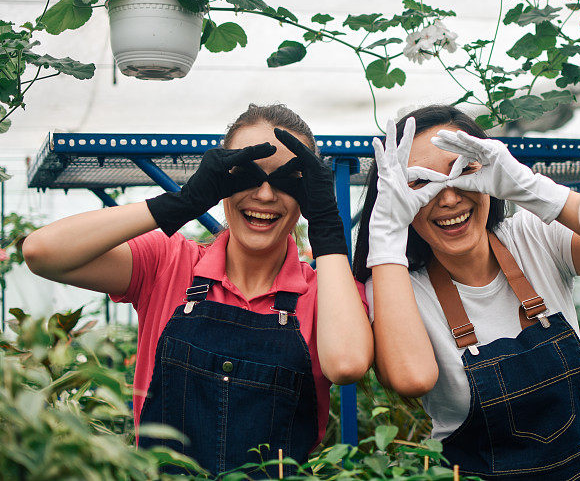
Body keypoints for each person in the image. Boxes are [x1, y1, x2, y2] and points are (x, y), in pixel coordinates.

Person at [23, 104, 373, 477]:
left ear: (309, 193)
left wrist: (326, 225)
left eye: (290, 180)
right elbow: (42, 252)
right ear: (220, 180)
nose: (266, 195)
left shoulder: (325, 294)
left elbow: (348, 365)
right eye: (247, 174)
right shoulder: (168, 263)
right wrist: (181, 202)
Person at [353, 105, 580, 480]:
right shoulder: (397, 286)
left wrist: (538, 191)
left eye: (463, 170)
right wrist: (385, 237)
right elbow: (411, 379)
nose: (448, 198)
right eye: (419, 183)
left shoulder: (533, 236)